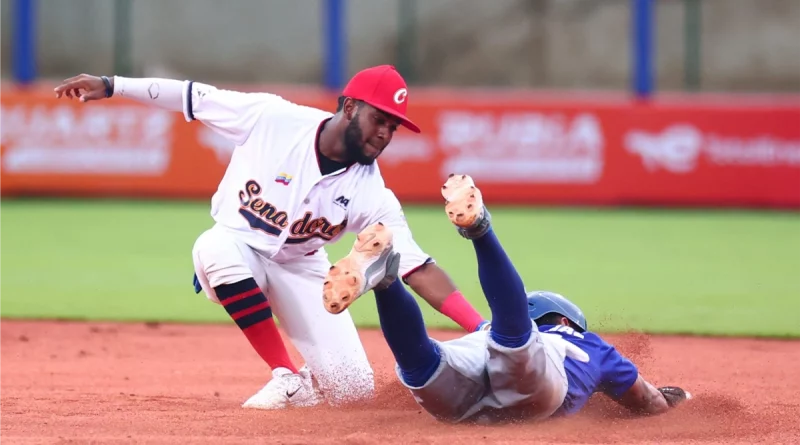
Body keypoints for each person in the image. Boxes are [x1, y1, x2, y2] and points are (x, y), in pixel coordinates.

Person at [53, 66, 489, 410]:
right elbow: (190, 95)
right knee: (214, 247)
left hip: (302, 266)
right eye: (380, 118)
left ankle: (314, 389)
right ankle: (287, 377)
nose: (385, 133)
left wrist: (483, 328)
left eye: (394, 126)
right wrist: (112, 85)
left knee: (353, 391)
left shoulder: (371, 190)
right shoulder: (273, 119)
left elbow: (417, 267)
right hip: (237, 245)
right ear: (351, 107)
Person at [324, 174, 691, 423]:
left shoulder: (486, 331)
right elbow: (647, 401)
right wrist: (671, 399)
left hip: (472, 364)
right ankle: (478, 230)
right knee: (515, 342)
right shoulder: (587, 344)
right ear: (563, 320)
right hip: (531, 391)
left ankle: (388, 283)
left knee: (423, 363)